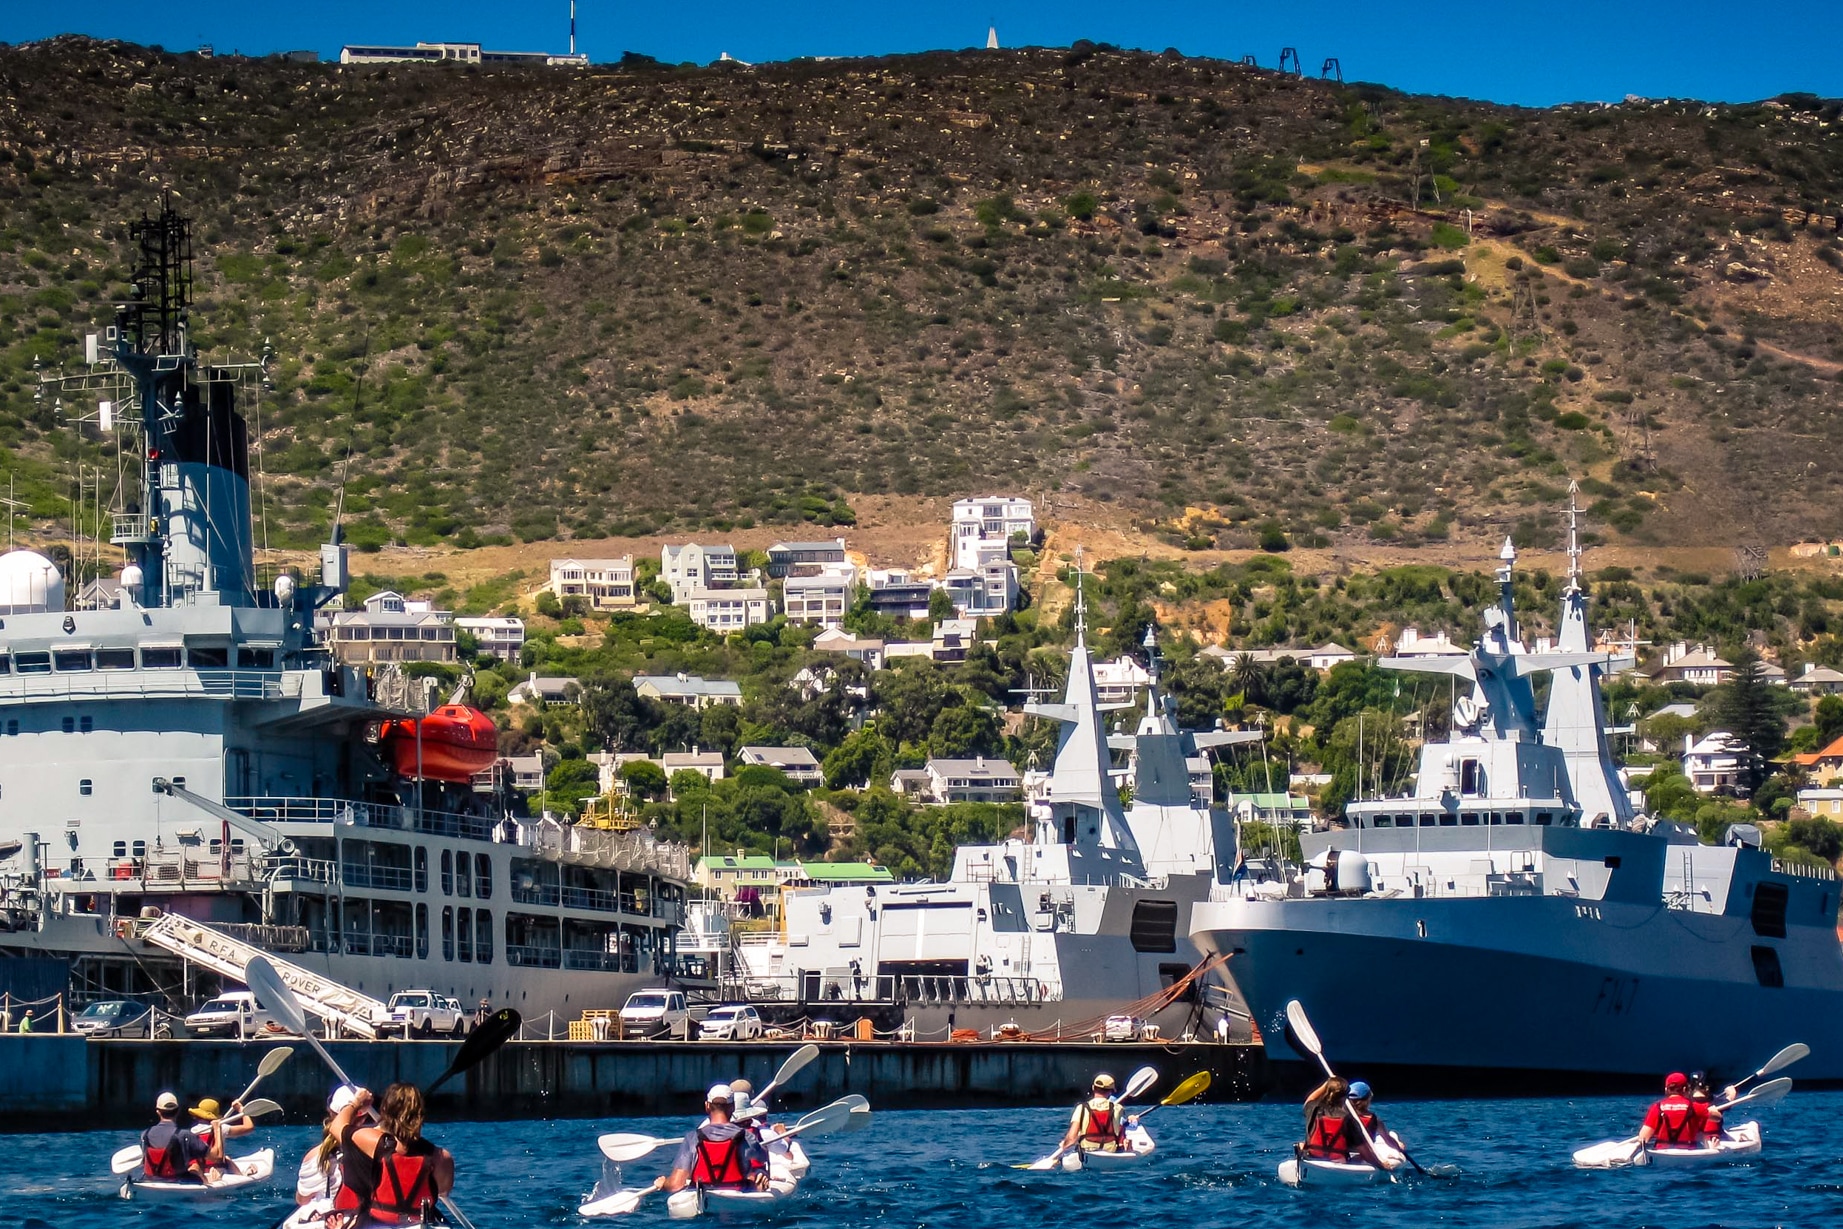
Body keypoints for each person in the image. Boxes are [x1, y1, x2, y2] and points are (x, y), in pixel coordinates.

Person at [330, 1084, 455, 1225]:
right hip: (418, 1224)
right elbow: (443, 1191)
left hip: (374, 1223)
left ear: (384, 1110)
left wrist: (356, 1103)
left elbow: (336, 1127)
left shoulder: (371, 1141)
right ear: (420, 1115)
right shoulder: (441, 1157)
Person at [653, 1084, 769, 1195]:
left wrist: (664, 1183)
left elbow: (675, 1185)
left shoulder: (692, 1138)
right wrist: (761, 1173)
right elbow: (763, 1158)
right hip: (738, 1193)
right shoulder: (746, 1136)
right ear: (733, 1107)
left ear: (707, 1106)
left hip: (702, 1196)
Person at [1299, 1078, 1399, 1170]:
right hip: (1339, 1161)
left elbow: (1310, 1099)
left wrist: (1327, 1084)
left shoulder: (1314, 1109)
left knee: (1301, 1145)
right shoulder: (1349, 1119)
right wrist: (1381, 1165)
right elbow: (1363, 1151)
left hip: (1312, 1157)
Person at [296, 1086, 358, 1205]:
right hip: (362, 1218)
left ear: (330, 1112)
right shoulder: (374, 1146)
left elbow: (302, 1200)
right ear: (363, 1118)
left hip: (329, 1216)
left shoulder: (313, 1156)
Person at [141, 1091, 214, 1185]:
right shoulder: (185, 1135)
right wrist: (217, 1129)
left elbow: (144, 1160)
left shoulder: (145, 1135)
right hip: (178, 1181)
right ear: (178, 1111)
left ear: (158, 1112)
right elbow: (216, 1158)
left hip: (149, 1180)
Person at [1059, 1073, 1127, 1154]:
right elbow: (1122, 1125)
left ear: (1093, 1088)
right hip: (1110, 1152)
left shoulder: (1081, 1108)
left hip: (1087, 1151)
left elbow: (1072, 1138)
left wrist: (1064, 1145)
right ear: (1111, 1091)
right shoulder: (1118, 1108)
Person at [1636, 1072, 1705, 1151]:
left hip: (1661, 1153)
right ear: (1685, 1089)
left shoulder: (1656, 1107)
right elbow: (1716, 1117)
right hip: (1689, 1153)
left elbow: (1643, 1137)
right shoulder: (1696, 1107)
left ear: (1666, 1089)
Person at [1687, 1071, 1725, 1145]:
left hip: (1690, 1140)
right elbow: (1728, 1102)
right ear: (1707, 1087)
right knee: (1752, 1125)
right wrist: (1731, 1092)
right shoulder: (1715, 1101)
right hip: (1713, 1140)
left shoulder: (1686, 1102)